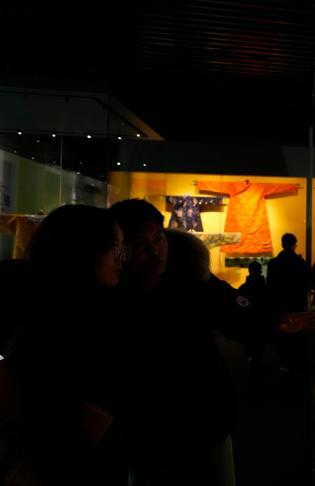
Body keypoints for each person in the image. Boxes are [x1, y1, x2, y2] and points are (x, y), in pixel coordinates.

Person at [108, 199, 236, 486]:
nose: (155, 251)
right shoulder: (108, 298)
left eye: (158, 238)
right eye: (140, 244)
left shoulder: (191, 273)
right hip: (149, 436)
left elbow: (233, 310)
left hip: (207, 423)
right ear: (120, 248)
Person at [5, 204, 127, 486]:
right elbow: (57, 427)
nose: (122, 258)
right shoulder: (64, 326)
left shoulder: (55, 312)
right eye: (115, 248)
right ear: (85, 250)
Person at [266, 233, 308, 313]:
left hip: (278, 302)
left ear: (282, 245)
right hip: (296, 302)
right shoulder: (300, 262)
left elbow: (270, 285)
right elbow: (305, 282)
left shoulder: (273, 263)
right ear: (294, 245)